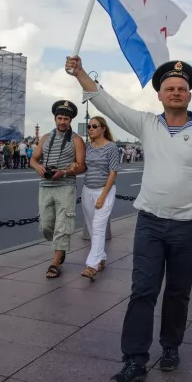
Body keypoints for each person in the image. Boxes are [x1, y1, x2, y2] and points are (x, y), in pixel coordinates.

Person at [66, 55, 192, 382]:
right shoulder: (147, 124)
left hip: (187, 225)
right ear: (159, 94)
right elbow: (107, 104)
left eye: (181, 88)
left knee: (179, 292)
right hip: (151, 223)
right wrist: (80, 72)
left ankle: (170, 347)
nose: (176, 92)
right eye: (169, 88)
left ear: (190, 95)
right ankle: (135, 359)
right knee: (143, 290)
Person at [30, 100, 86, 278]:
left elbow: (83, 166)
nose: (63, 122)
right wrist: (37, 167)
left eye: (66, 119)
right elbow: (34, 159)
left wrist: (64, 172)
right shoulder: (46, 138)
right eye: (60, 118)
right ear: (55, 119)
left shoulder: (76, 140)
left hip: (65, 186)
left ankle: (55, 262)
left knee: (62, 224)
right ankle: (60, 248)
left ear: (70, 121)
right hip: (46, 186)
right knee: (46, 225)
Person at [80, 116, 120, 280]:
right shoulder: (87, 147)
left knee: (98, 226)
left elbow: (113, 172)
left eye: (94, 126)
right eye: (89, 126)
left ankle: (92, 265)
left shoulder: (111, 147)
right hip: (87, 189)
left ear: (103, 128)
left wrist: (103, 196)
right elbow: (83, 166)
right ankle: (101, 257)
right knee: (91, 226)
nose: (90, 129)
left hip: (104, 190)